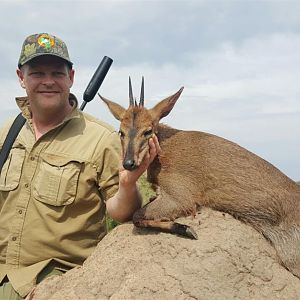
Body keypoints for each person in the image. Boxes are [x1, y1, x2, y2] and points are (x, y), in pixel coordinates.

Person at [0, 33, 160, 299]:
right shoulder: (8, 132)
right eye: (37, 73)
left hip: (54, 282)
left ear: (71, 77)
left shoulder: (101, 138)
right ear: (21, 78)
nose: (48, 81)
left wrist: (128, 184)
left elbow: (120, 212)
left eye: (57, 73)